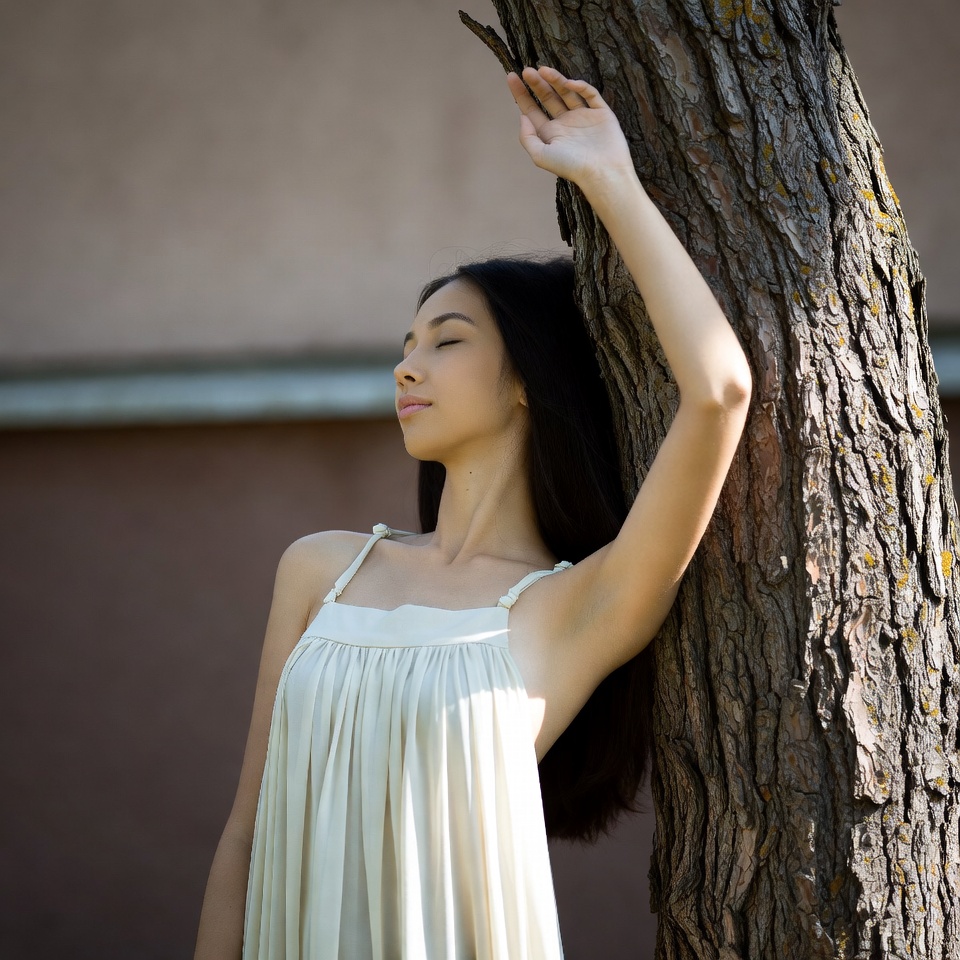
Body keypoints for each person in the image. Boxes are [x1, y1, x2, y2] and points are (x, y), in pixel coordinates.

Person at [193, 64, 752, 959]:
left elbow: (719, 392)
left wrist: (609, 179)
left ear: (532, 380)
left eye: (447, 342)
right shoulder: (319, 569)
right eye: (406, 346)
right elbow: (246, 841)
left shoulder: (573, 608)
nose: (407, 368)